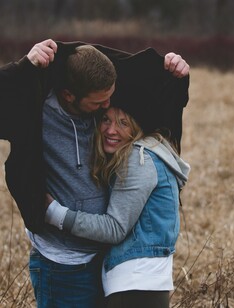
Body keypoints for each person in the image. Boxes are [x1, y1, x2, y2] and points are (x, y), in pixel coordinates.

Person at [0, 39, 190, 307]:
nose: (107, 106)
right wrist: (24, 67)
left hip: (105, 261)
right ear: (69, 95)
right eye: (99, 103)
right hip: (62, 264)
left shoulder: (102, 103)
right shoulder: (36, 110)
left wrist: (176, 73)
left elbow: (154, 90)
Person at [46, 105, 190, 307]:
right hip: (146, 283)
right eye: (106, 120)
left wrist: (54, 213)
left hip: (134, 284)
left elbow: (115, 228)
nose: (111, 130)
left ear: (138, 127)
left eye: (123, 123)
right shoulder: (153, 152)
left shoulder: (139, 159)